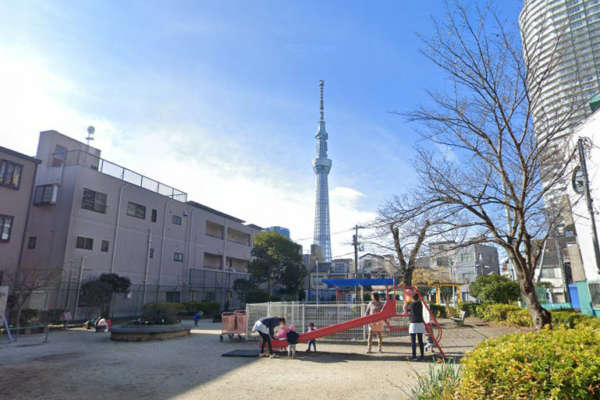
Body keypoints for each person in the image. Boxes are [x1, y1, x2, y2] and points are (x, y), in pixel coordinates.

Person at [407, 293, 426, 361]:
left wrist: (407, 302)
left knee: (413, 341)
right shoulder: (420, 304)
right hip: (420, 323)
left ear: (412, 298)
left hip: (413, 323)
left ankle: (414, 355)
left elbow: (407, 309)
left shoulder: (411, 304)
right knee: (420, 341)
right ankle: (422, 356)